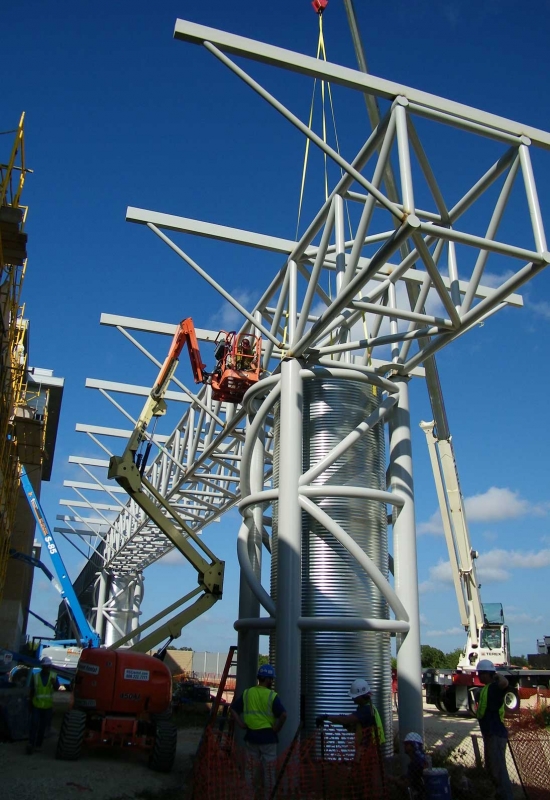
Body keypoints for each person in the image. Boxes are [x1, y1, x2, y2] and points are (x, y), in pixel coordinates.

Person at [230, 664, 287, 798]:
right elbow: (283, 715)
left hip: (251, 737)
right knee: (269, 772)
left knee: (250, 771)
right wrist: (277, 729)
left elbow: (233, 709)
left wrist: (241, 724)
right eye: (271, 679)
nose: (272, 682)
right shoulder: (271, 696)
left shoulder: (247, 693)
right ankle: (269, 797)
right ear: (267, 680)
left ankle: (248, 797)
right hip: (268, 739)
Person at [475, 658, 514, 800]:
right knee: (492, 768)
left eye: (481, 673)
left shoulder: (495, 687)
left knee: (499, 770)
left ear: (487, 674)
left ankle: (506, 796)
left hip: (496, 734)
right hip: (490, 734)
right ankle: (499, 794)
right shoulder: (486, 689)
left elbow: (505, 683)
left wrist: (496, 675)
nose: (479, 676)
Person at [316, 678, 386, 752]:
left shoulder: (367, 710)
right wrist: (349, 726)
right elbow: (359, 728)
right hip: (369, 747)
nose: (352, 699)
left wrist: (327, 717)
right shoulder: (366, 708)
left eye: (354, 697)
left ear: (361, 696)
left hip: (370, 749)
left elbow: (347, 720)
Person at [27, 656, 59, 754]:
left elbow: (57, 688)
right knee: (34, 724)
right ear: (42, 666)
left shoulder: (53, 676)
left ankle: (38, 745)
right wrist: (30, 703)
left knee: (42, 727)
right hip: (36, 705)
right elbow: (32, 690)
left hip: (47, 707)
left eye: (48, 667)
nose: (46, 668)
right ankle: (31, 744)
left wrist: (54, 684)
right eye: (45, 667)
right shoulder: (36, 676)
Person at [388, 732, 430, 799]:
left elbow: (406, 785)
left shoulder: (415, 763)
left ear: (414, 745)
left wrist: (393, 780)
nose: (404, 746)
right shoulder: (420, 759)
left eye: (407, 744)